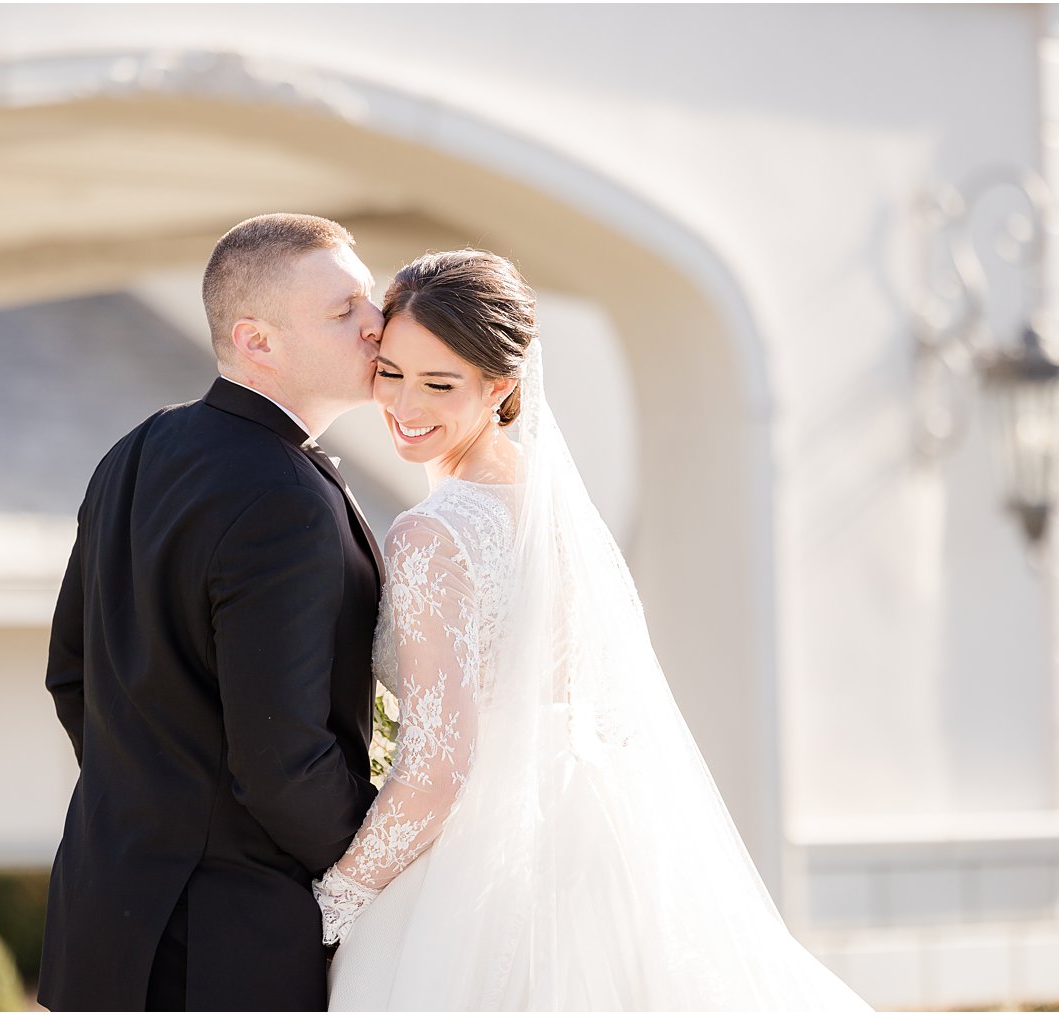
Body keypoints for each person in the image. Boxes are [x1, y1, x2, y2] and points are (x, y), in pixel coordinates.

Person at [312, 249, 874, 1011]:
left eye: (440, 383)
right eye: (393, 373)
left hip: (477, 873)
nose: (406, 403)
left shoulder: (431, 534)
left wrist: (335, 896)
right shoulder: (552, 515)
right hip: (601, 840)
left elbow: (440, 766)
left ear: (500, 386)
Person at [39, 213, 386, 1011]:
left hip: (103, 914)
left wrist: (152, 800)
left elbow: (70, 675)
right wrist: (384, 875)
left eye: (367, 300)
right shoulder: (286, 496)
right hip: (228, 944)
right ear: (256, 340)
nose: (377, 325)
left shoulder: (134, 449)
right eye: (343, 311)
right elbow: (284, 764)